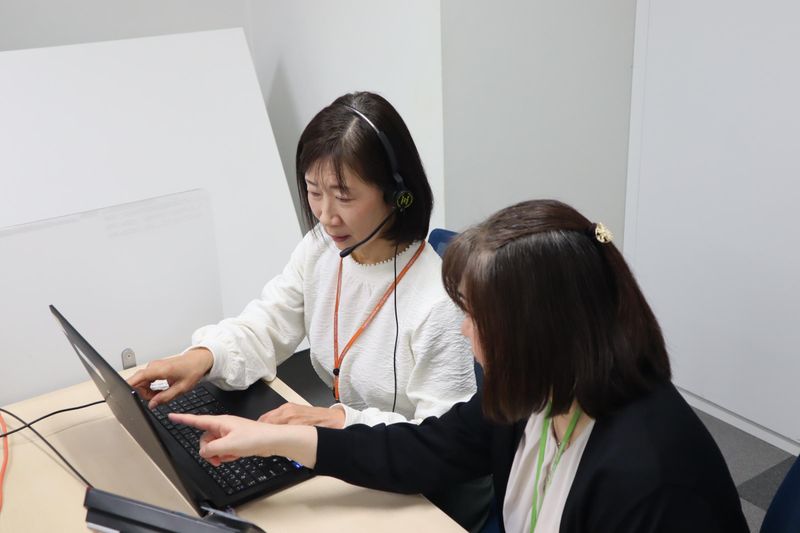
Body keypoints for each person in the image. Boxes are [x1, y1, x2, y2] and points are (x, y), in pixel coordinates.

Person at [170, 199, 749, 532]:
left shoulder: (651, 478)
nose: (463, 327)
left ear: (540, 331)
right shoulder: (538, 391)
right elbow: (426, 449)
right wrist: (277, 440)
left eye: (473, 314)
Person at [128, 91, 476, 429]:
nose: (326, 215)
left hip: (402, 464)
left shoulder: (438, 305)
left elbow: (443, 438)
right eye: (314, 191)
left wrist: (335, 420)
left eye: (344, 196)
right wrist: (203, 357)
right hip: (347, 447)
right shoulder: (321, 249)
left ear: (398, 196)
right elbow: (269, 323)